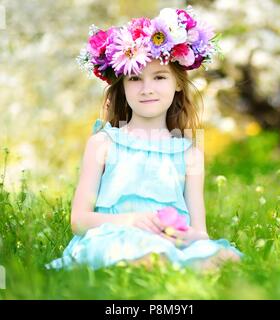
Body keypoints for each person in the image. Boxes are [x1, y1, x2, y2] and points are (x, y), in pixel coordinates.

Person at [45, 6, 243, 272]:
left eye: (159, 77)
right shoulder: (103, 144)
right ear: (123, 86)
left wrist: (181, 235)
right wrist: (131, 220)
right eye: (135, 78)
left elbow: (200, 231)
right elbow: (79, 220)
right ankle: (155, 266)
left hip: (169, 241)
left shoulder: (189, 154)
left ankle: (174, 263)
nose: (147, 89)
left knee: (226, 257)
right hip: (115, 236)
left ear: (177, 83)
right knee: (143, 257)